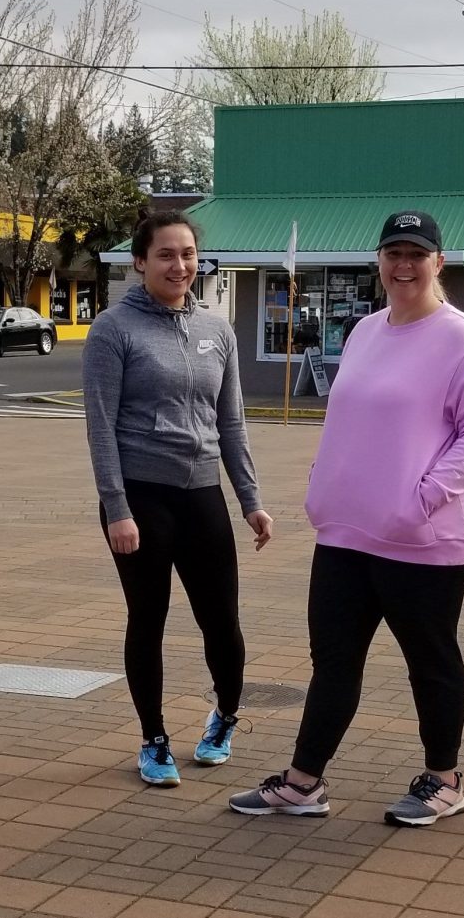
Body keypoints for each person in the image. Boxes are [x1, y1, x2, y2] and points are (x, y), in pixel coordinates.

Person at [229, 210, 464, 826]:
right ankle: (303, 783)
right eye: (392, 253)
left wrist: (427, 494)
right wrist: (322, 483)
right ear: (379, 261)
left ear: (439, 262)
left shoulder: (463, 340)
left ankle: (444, 779)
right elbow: (348, 421)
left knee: (429, 661)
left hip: (424, 539)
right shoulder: (364, 331)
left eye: (417, 254)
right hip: (347, 533)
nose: (403, 265)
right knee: (333, 662)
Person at [83, 210, 273, 788]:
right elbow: (101, 426)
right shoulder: (113, 330)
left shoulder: (218, 331)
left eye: (188, 254)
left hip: (202, 497)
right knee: (149, 620)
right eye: (166, 254)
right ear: (140, 261)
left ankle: (225, 717)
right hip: (141, 500)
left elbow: (231, 422)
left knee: (223, 623)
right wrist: (117, 509)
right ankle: (154, 738)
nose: (179, 265)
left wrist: (250, 499)